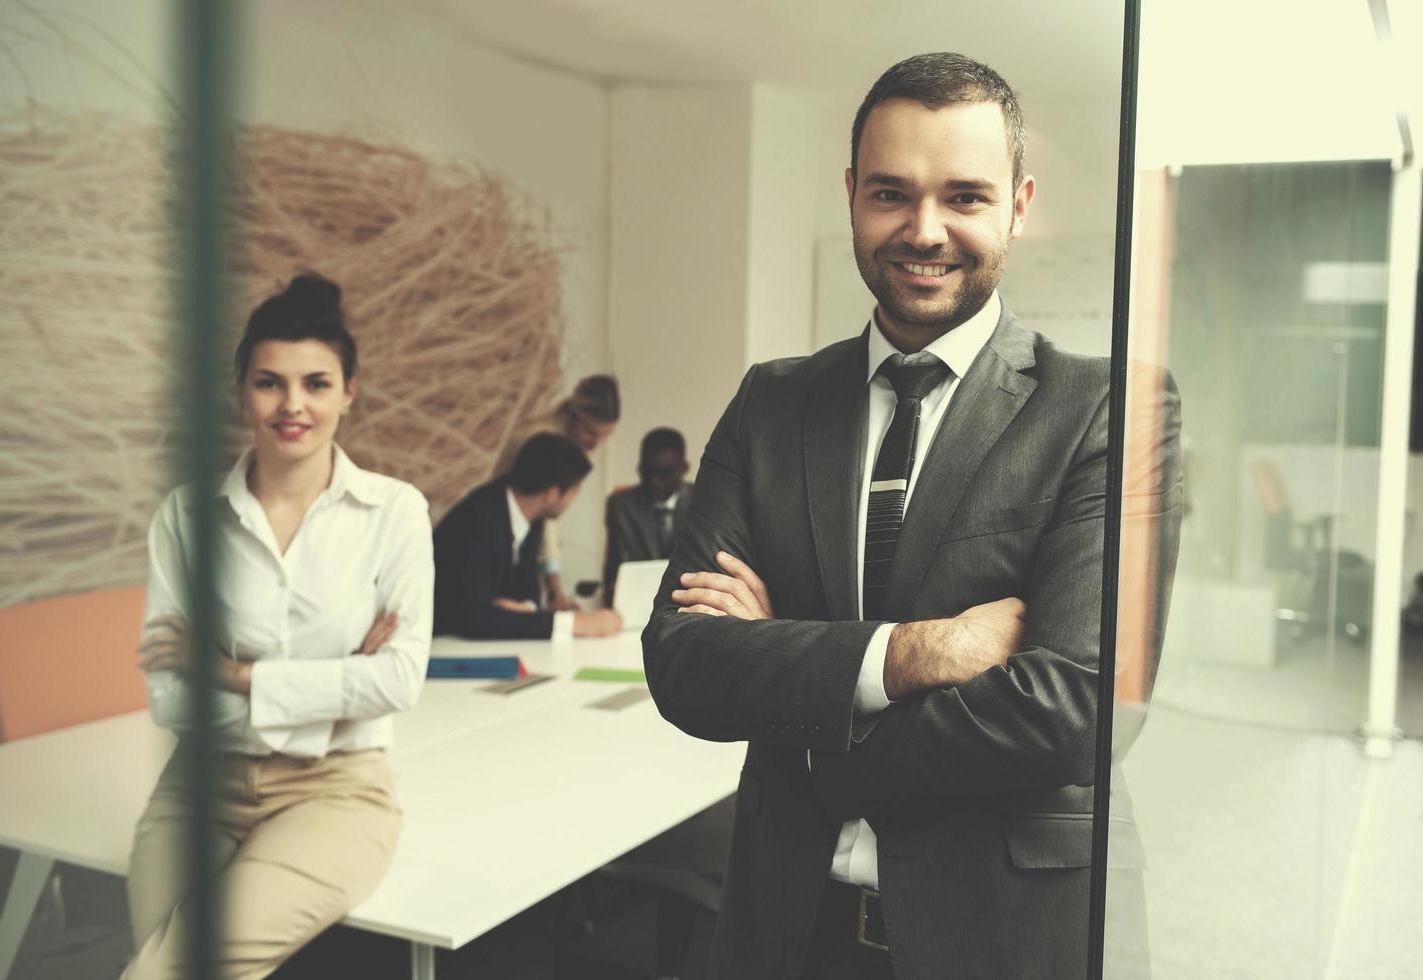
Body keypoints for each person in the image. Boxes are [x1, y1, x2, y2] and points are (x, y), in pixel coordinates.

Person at [641, 53, 1183, 979]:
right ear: (851, 194)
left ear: (1017, 204)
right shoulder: (772, 405)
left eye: (964, 197)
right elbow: (685, 663)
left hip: (1005, 934)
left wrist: (799, 702)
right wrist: (911, 654)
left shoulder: (1105, 409)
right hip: (788, 926)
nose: (923, 231)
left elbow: (1072, 711)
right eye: (891, 193)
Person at [125, 273, 434, 978]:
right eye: (270, 382)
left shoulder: (393, 513)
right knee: (157, 956)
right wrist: (335, 685)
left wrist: (229, 672)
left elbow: (397, 679)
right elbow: (170, 697)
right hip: (197, 787)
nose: (293, 404)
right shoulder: (186, 515)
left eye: (316, 383)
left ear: (349, 391)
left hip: (337, 790)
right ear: (242, 389)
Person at [435, 432, 623, 640]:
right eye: (575, 491)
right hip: (444, 645)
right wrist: (573, 624)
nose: (573, 500)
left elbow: (526, 596)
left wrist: (524, 609)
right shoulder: (477, 520)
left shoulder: (530, 518)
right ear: (552, 494)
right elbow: (476, 619)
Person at [494, 374, 621, 609]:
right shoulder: (542, 441)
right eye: (591, 433)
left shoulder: (566, 440)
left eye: (606, 434)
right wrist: (555, 592)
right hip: (502, 546)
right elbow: (542, 514)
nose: (596, 444)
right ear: (573, 418)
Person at [603, 427, 694, 605]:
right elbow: (615, 569)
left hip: (689, 605)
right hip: (637, 603)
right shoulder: (621, 506)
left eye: (664, 473)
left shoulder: (703, 500)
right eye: (647, 472)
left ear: (684, 469)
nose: (654, 481)